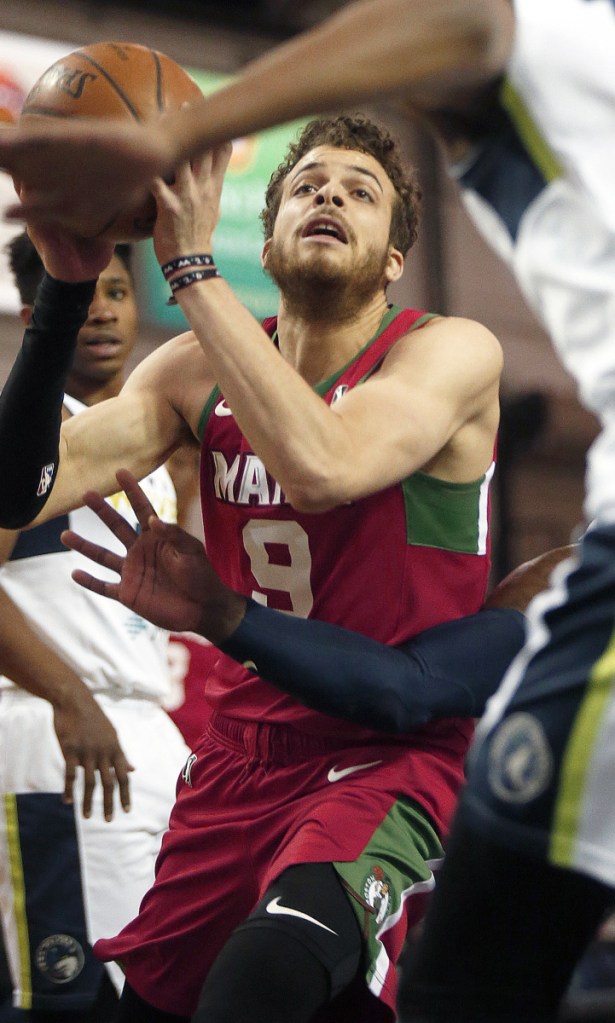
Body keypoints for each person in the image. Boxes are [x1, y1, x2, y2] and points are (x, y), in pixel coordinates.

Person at [0, 3, 613, 1019]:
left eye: (359, 192)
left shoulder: (449, 352)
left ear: (389, 259)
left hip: (384, 755)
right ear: (272, 235)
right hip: (237, 760)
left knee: (266, 983)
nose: (328, 194)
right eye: (307, 186)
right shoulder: (189, 368)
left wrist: (190, 266)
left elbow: (327, 463)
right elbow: (16, 494)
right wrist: (65, 294)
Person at [0, 233, 191, 1022]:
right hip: (58, 733)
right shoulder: (20, 433)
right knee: (71, 999)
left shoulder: (152, 433)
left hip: (146, 736)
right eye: (81, 295)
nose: (102, 311)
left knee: (161, 992)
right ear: (36, 306)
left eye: (116, 291)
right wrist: (71, 697)